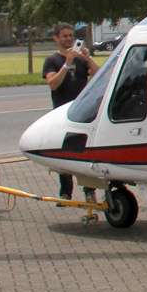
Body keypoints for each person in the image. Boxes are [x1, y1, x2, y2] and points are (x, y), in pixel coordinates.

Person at [42, 22, 94, 200]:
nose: (69, 39)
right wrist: (66, 64)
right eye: (65, 36)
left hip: (83, 113)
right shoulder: (51, 61)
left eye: (71, 36)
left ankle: (89, 191)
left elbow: (99, 75)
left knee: (84, 153)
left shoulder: (80, 59)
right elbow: (53, 84)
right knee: (63, 154)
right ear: (56, 38)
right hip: (61, 113)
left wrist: (88, 59)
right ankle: (65, 193)